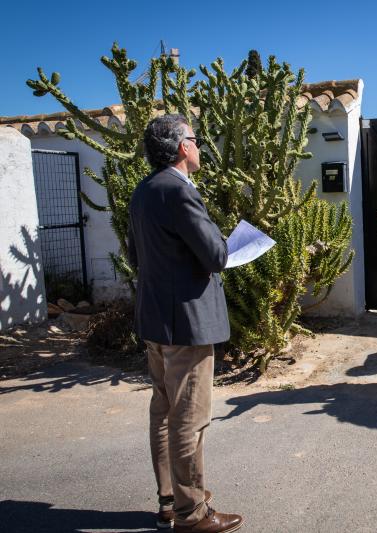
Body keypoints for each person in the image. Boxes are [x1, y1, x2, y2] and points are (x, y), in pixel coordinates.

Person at [127, 114, 243, 533]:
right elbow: (215, 255)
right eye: (194, 139)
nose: (199, 145)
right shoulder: (180, 193)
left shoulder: (144, 191)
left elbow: (135, 253)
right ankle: (192, 514)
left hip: (155, 319)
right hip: (188, 324)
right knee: (188, 418)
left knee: (162, 412)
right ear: (182, 147)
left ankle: (168, 500)